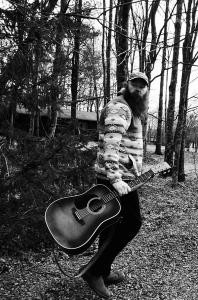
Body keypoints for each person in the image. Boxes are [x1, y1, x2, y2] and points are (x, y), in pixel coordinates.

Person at [81, 72, 149, 299]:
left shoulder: (131, 109)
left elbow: (126, 147)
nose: (138, 88)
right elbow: (111, 145)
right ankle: (94, 272)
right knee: (132, 222)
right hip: (116, 179)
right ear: (126, 85)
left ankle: (103, 270)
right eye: (135, 84)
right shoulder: (120, 107)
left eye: (143, 86)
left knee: (110, 224)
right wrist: (116, 178)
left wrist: (136, 172)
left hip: (123, 177)